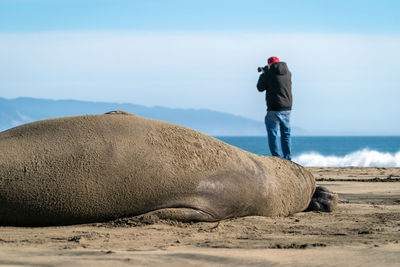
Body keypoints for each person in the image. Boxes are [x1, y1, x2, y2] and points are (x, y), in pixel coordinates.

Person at [257, 56, 292, 160]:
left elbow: (260, 88)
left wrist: (263, 74)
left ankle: (276, 157)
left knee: (273, 134)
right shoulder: (288, 73)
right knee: (286, 134)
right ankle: (288, 157)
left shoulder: (268, 74)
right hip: (287, 108)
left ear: (269, 64)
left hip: (273, 108)